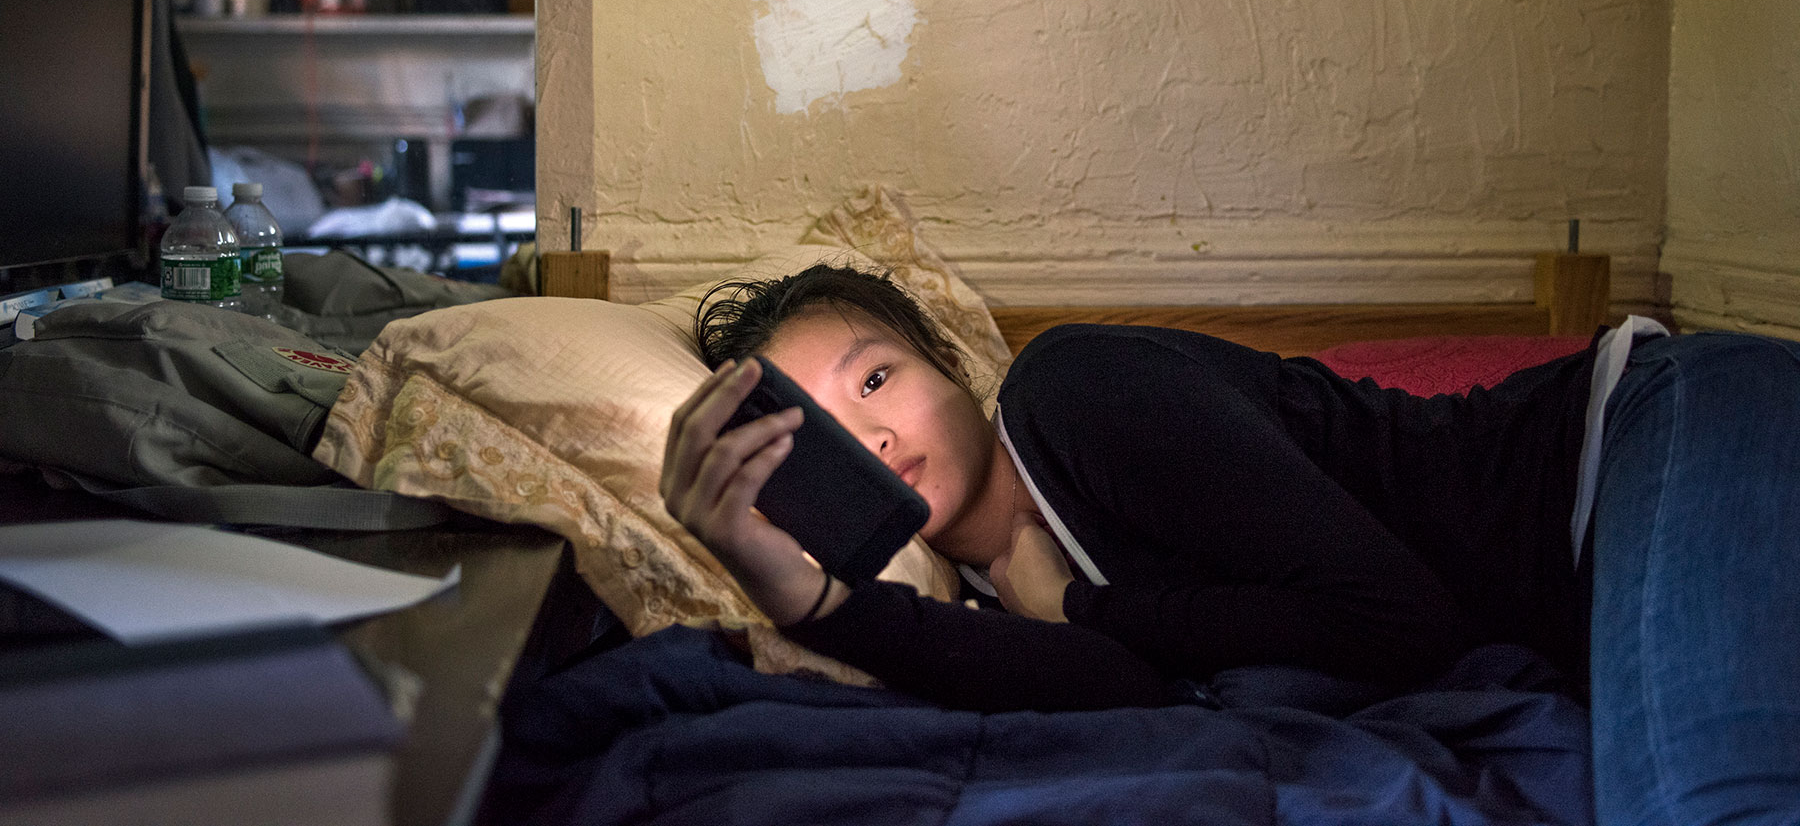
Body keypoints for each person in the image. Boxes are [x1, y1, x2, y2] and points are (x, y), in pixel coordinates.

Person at [659, 264, 1800, 826]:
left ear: (952, 369)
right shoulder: (1001, 597)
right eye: (824, 429)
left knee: (1717, 803)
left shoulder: (1070, 393)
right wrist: (805, 598)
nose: (871, 431)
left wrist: (1086, 612)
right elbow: (1116, 680)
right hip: (1598, 563)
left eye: (877, 375)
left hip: (1641, 437)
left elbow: (1398, 619)